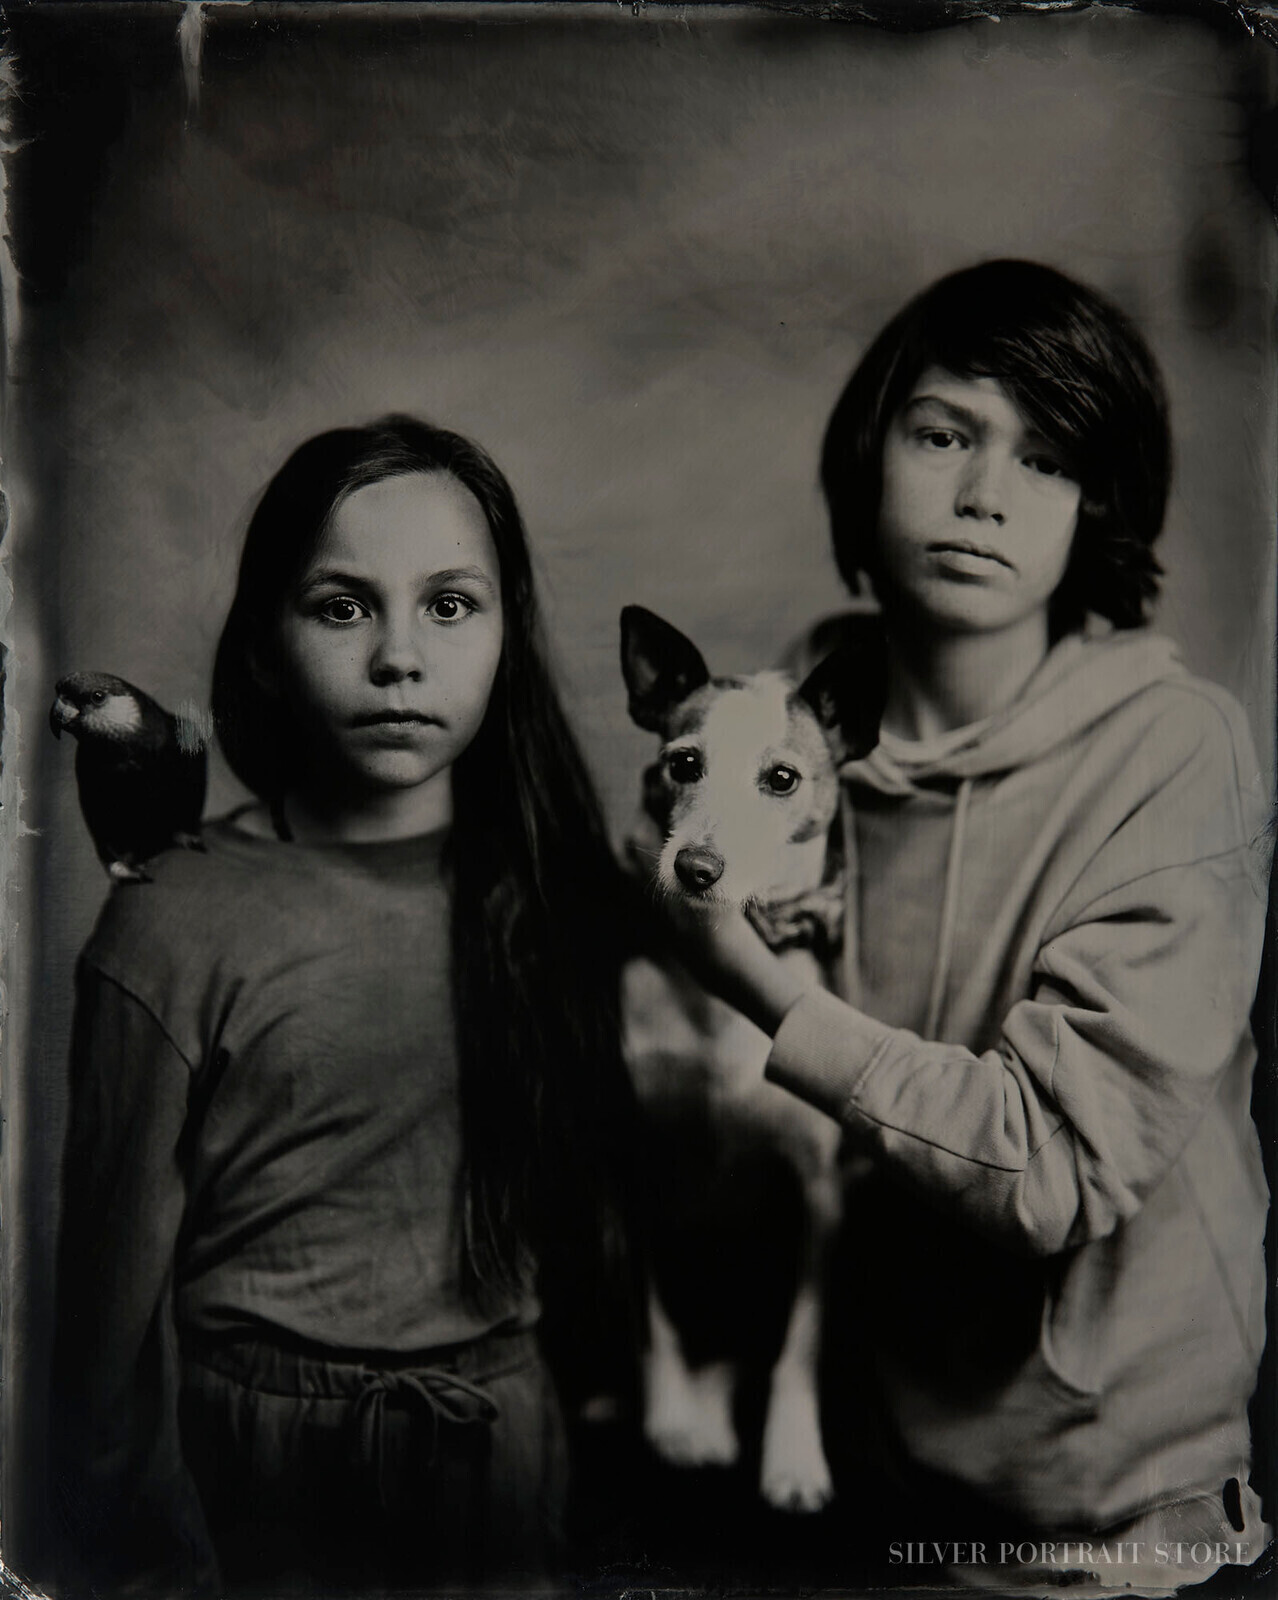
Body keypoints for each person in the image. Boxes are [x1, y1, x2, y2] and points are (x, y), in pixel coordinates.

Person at [661, 261, 1271, 1590]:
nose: (984, 495)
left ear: (1093, 506)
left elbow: (1046, 1170)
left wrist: (767, 993)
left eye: (1046, 461)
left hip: (1105, 1518)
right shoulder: (778, 750)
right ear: (868, 454)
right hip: (854, 1479)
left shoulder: (1175, 756)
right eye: (943, 436)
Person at [51, 416, 637, 1595]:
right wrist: (151, 1564)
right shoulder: (172, 922)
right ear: (265, 644)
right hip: (255, 1474)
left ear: (510, 636)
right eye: (341, 606)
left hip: (501, 1451)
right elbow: (103, 1345)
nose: (399, 657)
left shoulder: (571, 904)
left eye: (451, 605)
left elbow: (613, 1246)